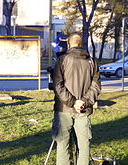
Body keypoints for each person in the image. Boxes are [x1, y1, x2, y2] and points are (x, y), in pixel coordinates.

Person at [52, 33, 101, 165]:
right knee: (84, 145)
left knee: (63, 144)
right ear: (81, 44)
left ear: (69, 44)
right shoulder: (92, 61)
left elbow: (58, 85)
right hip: (84, 110)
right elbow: (96, 86)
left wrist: (73, 102)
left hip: (64, 109)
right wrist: (84, 102)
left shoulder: (62, 60)